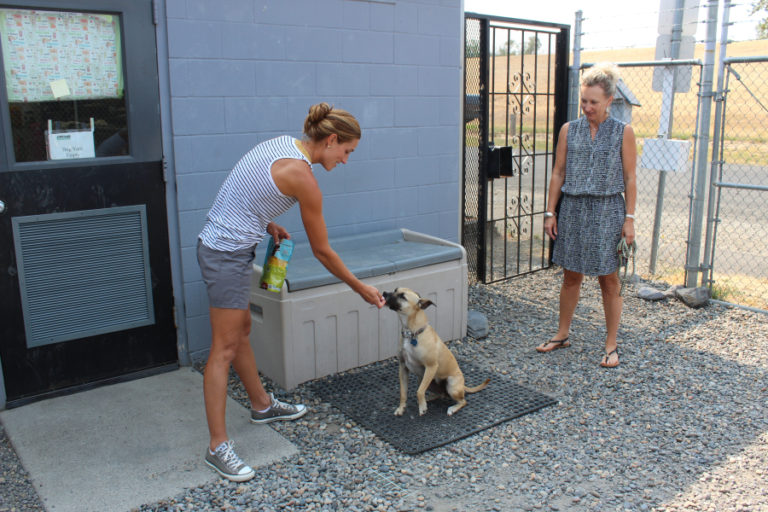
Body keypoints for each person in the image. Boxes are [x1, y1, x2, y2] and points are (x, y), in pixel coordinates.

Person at [197, 102, 386, 482]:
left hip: (227, 245)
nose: (346, 161)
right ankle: (218, 447)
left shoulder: (283, 145)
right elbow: (322, 251)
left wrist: (266, 222)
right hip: (225, 254)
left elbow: (243, 189)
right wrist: (359, 287)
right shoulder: (303, 179)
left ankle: (262, 405)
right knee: (224, 349)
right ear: (331, 140)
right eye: (346, 151)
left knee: (242, 334)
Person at [536, 62, 637, 369]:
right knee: (571, 276)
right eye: (584, 101)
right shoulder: (569, 130)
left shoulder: (624, 132)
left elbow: (631, 178)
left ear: (609, 100)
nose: (587, 107)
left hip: (608, 211)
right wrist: (550, 212)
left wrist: (629, 219)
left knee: (609, 279)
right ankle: (562, 333)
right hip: (574, 210)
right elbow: (558, 173)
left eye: (594, 102)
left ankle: (611, 344)